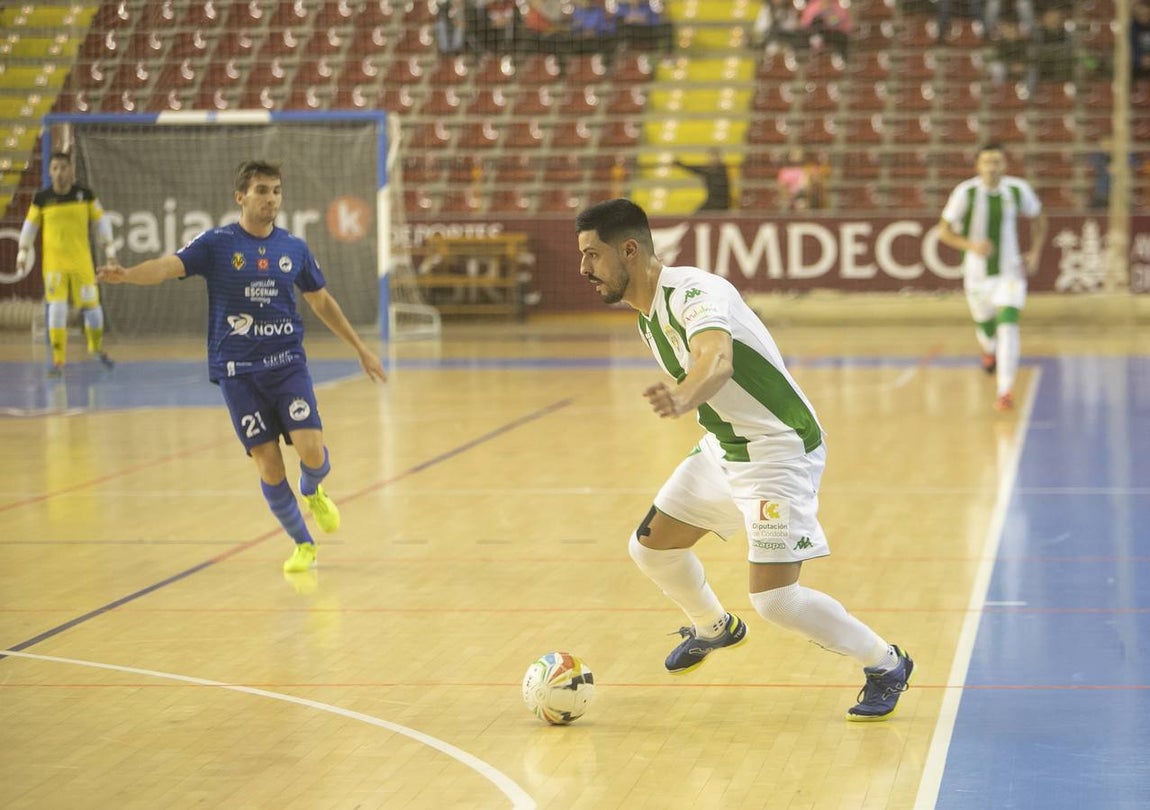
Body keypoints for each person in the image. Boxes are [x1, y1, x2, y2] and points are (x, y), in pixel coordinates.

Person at [574, 198, 914, 722]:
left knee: (776, 601)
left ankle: (885, 662)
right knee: (651, 549)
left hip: (777, 450)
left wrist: (683, 396)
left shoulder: (694, 292)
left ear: (630, 250)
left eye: (592, 255)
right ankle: (714, 627)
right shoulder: (647, 317)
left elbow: (716, 360)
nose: (583, 269)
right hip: (725, 446)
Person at [97, 160, 387, 573]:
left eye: (276, 191)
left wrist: (360, 348)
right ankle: (303, 544)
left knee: (311, 451)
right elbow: (166, 266)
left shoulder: (294, 248)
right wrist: (127, 275)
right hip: (237, 372)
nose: (271, 199)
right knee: (268, 463)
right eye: (262, 191)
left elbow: (321, 301)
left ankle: (312, 489)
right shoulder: (216, 244)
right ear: (241, 197)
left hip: (287, 364)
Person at [937, 143, 1046, 412]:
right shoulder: (966, 193)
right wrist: (971, 246)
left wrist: (1035, 252)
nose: (992, 167)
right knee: (986, 326)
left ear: (1005, 165)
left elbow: (1039, 218)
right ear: (978, 166)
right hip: (977, 274)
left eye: (997, 162)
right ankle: (988, 350)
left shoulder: (1017, 190)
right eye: (987, 162)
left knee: (1008, 325)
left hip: (1010, 271)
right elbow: (944, 231)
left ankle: (1005, 390)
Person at [16, 151, 116, 375]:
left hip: (82, 264)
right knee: (57, 310)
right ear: (50, 172)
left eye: (63, 167)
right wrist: (22, 253)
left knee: (93, 309)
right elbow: (29, 227)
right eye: (55, 168)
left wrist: (109, 250)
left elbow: (101, 221)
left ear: (71, 170)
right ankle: (58, 361)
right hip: (55, 266)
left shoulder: (85, 195)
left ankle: (96, 348)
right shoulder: (42, 199)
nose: (59, 173)